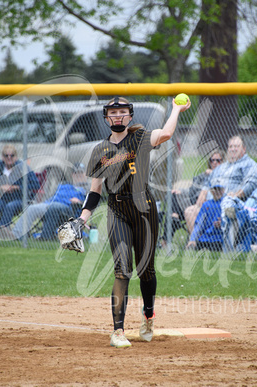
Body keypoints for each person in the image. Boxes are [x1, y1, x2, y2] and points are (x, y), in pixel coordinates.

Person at [76, 96, 190, 348]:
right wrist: (83, 216)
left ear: (130, 115)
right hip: (116, 210)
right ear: (106, 117)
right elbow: (95, 190)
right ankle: (118, 331)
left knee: (146, 271)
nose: (118, 116)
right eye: (113, 113)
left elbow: (168, 133)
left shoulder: (140, 138)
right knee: (122, 268)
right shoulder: (99, 151)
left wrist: (175, 109)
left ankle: (148, 315)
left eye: (122, 112)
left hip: (144, 209)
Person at [184, 135, 257, 237]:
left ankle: (214, 244)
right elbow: (209, 181)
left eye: (236, 146)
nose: (233, 149)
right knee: (190, 211)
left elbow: (252, 183)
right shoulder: (223, 166)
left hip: (229, 203)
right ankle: (199, 244)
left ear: (244, 149)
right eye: (230, 146)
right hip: (210, 203)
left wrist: (236, 195)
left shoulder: (250, 165)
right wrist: (203, 194)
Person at [159, 148, 224, 247]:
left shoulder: (224, 175)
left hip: (204, 203)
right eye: (212, 160)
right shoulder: (203, 175)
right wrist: (180, 190)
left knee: (176, 213)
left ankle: (170, 240)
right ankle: (174, 217)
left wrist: (213, 174)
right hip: (193, 199)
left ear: (223, 162)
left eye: (218, 160)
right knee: (173, 195)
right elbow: (192, 188)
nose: (214, 162)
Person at [9, 163, 87, 240]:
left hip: (68, 209)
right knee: (32, 208)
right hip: (49, 204)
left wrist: (79, 201)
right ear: (73, 175)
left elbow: (91, 204)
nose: (78, 175)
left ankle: (44, 237)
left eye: (81, 173)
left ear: (85, 174)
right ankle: (17, 235)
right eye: (76, 173)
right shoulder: (64, 185)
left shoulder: (87, 188)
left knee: (54, 206)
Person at [0, 144, 40, 239]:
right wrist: (1, 187)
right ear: (2, 157)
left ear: (16, 157)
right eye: (6, 155)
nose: (9, 158)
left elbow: (35, 185)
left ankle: (1, 233)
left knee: (10, 206)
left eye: (12, 155)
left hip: (21, 199)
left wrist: (16, 187)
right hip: (4, 198)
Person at [185, 179, 225, 251]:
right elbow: (199, 224)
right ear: (211, 191)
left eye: (220, 189)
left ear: (223, 190)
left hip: (219, 238)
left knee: (215, 246)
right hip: (205, 238)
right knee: (198, 246)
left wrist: (222, 223)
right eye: (215, 189)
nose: (217, 192)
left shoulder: (226, 203)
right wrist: (192, 239)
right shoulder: (206, 204)